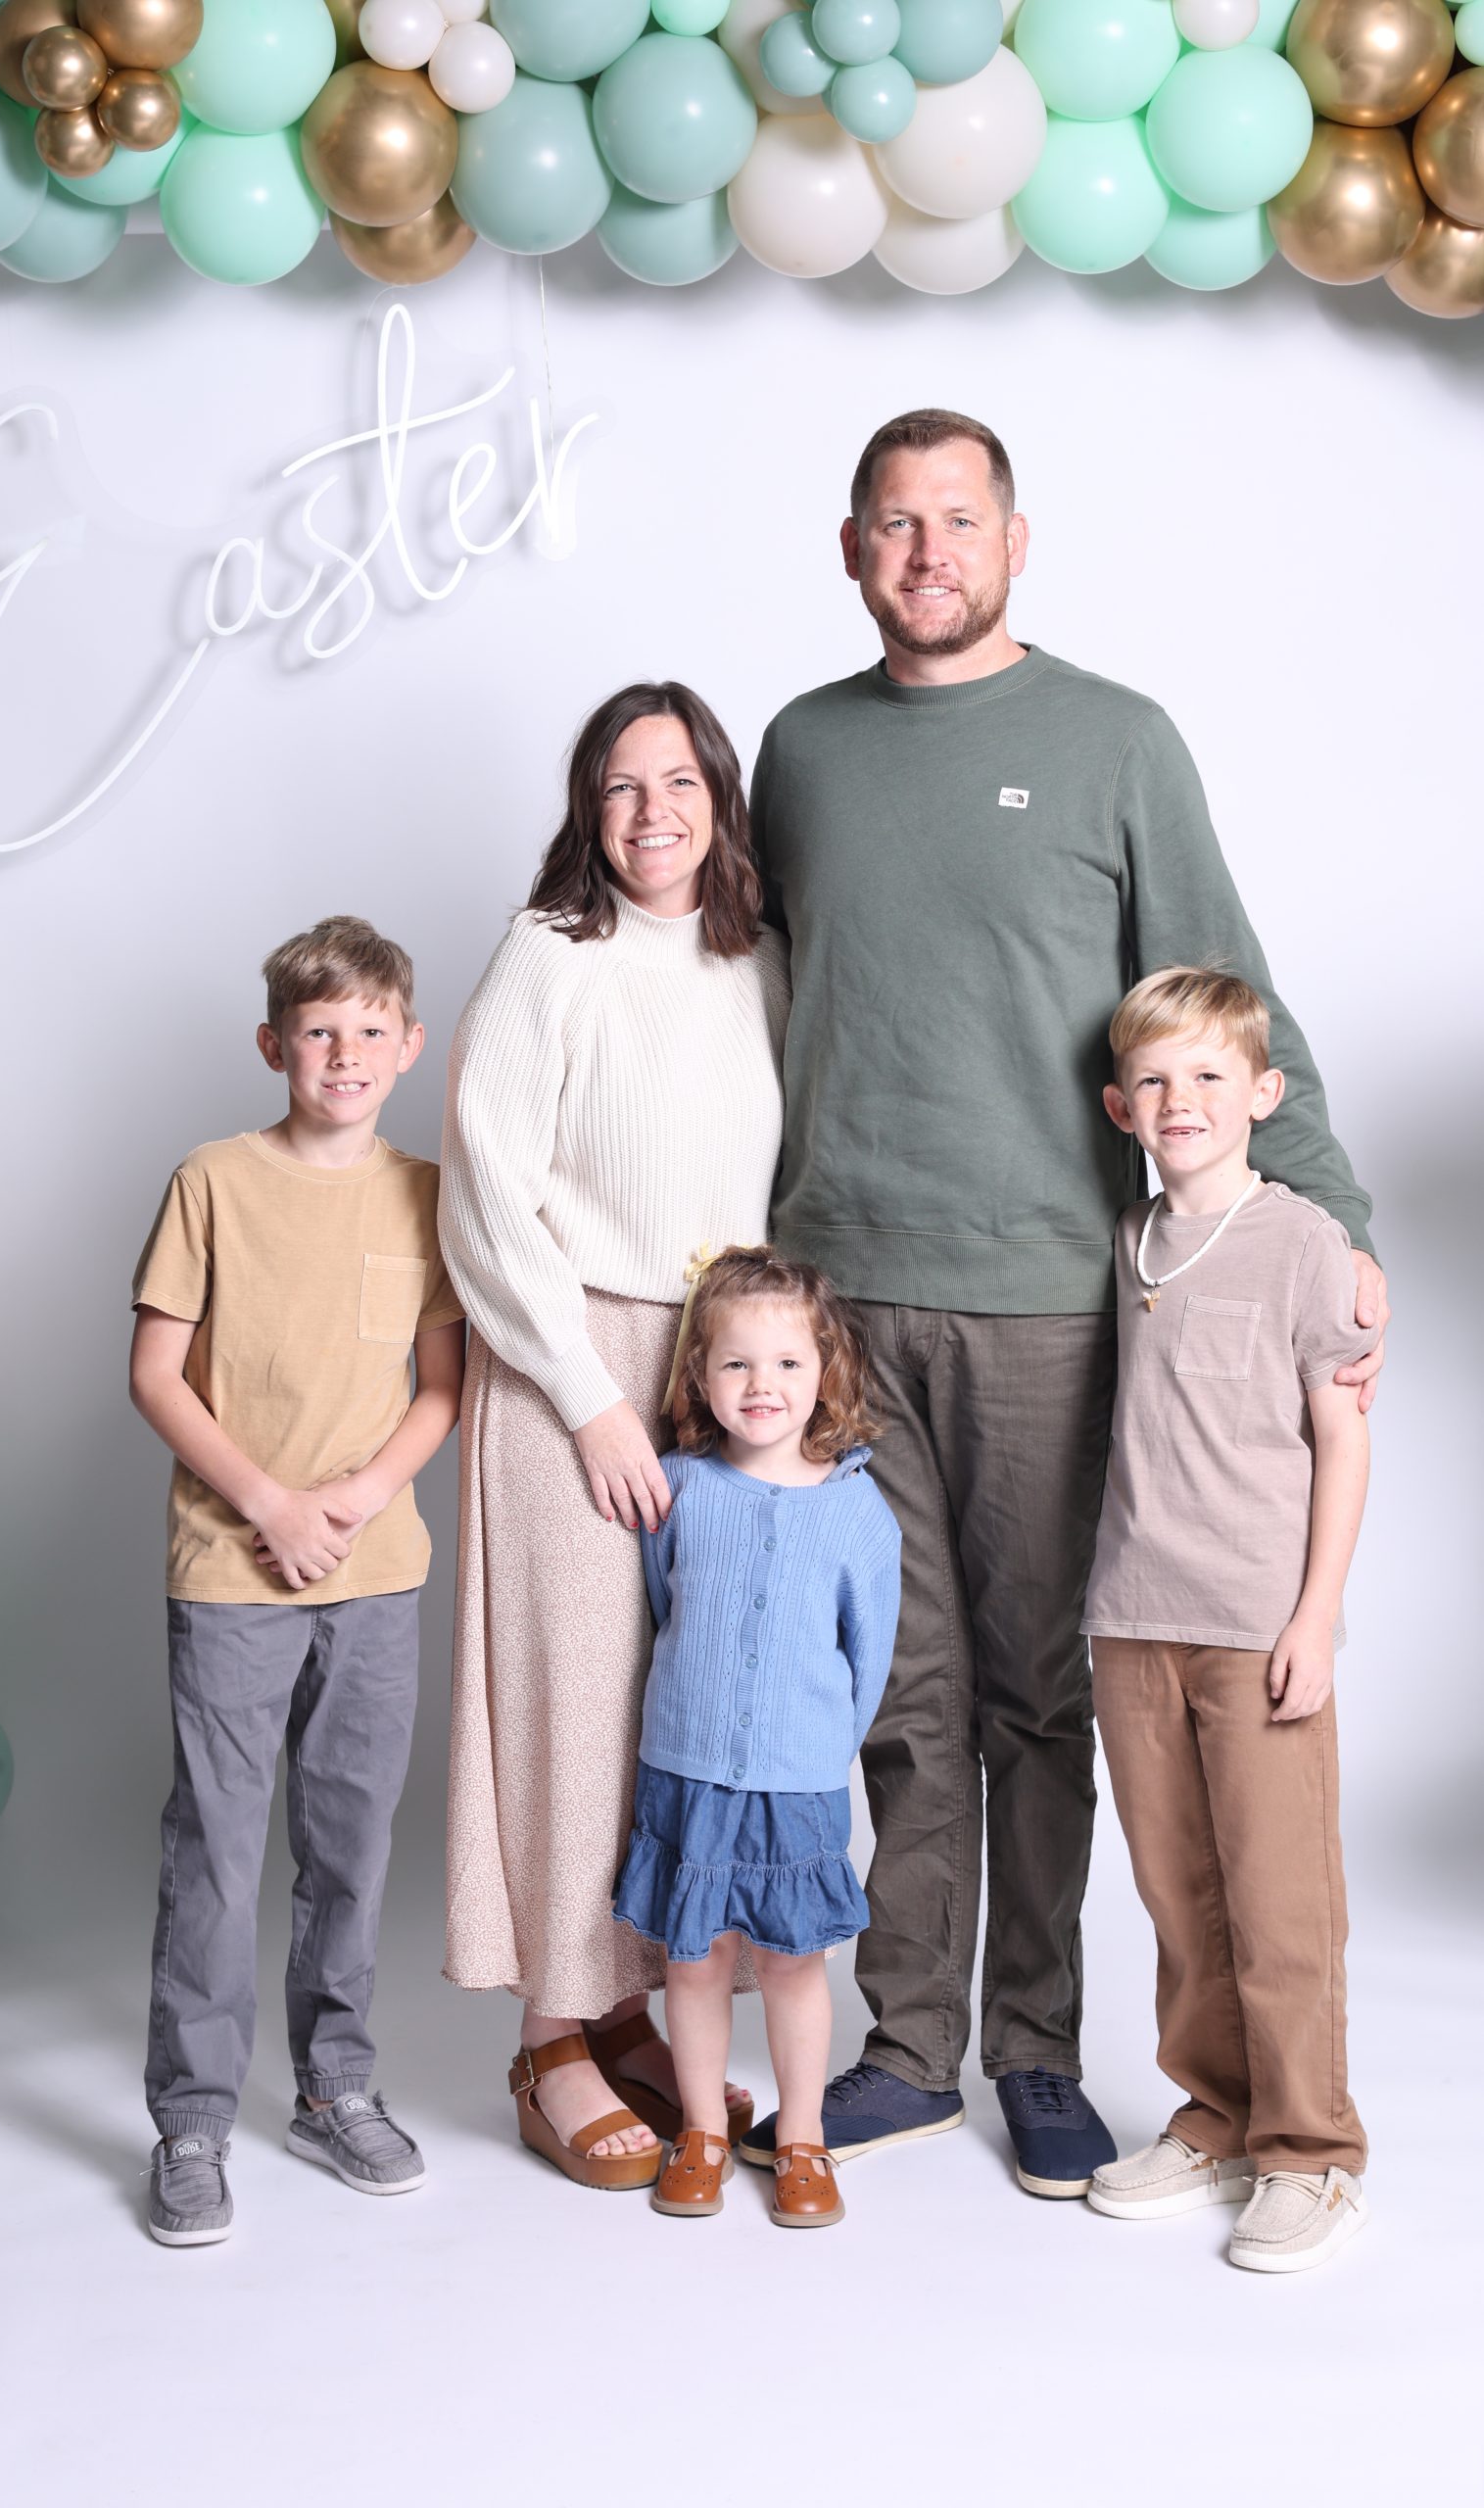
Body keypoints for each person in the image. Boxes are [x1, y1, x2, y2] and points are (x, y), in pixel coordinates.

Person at [742, 407, 1389, 2200]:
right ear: (850, 548)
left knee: (1035, 1699)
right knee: (899, 1696)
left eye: (959, 520)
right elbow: (741, 995)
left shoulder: (1114, 742)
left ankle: (1032, 2050)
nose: (926, 551)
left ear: (1014, 543)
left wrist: (1331, 1212)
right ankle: (904, 2047)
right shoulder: (798, 750)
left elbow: (1225, 989)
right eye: (895, 522)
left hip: (1046, 1301)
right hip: (843, 1297)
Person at [439, 684, 790, 2192]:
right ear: (589, 809)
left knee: (683, 1703)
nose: (652, 813)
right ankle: (550, 2033)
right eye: (621, 787)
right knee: (575, 1699)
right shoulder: (549, 953)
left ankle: (635, 2003)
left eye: (679, 782)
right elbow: (482, 1187)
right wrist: (585, 1396)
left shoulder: (756, 961)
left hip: (720, 1357)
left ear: (719, 800)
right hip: (565, 1351)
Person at [129, 916, 465, 2247]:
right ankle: (191, 2120)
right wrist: (269, 1504)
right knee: (215, 1849)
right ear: (274, 1045)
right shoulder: (211, 1180)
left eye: (369, 1030)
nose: (344, 1053)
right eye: (318, 1031)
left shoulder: (428, 1193)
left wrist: (360, 1497)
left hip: (373, 1573)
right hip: (231, 1565)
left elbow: (440, 1388)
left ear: (409, 1044)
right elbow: (156, 1373)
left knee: (351, 1841)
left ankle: (334, 2088)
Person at [1082, 968, 1372, 2273]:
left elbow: (1341, 1438)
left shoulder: (1302, 1242)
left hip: (1256, 1624)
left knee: (1278, 1897)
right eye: (1151, 1080)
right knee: (1177, 1893)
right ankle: (1215, 2118)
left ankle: (1310, 2150)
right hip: (1130, 1620)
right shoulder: (1123, 1241)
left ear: (1261, 1093)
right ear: (1118, 1108)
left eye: (1207, 1075)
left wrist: (1315, 1617)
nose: (1178, 1099)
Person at [615, 1249, 900, 2230]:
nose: (760, 1385)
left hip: (797, 1783)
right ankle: (700, 2131)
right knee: (693, 1962)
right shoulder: (676, 1488)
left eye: (786, 1363)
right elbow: (664, 1610)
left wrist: (812, 1752)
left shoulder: (857, 1511)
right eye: (735, 1364)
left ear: (826, 1373)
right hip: (685, 1773)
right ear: (699, 1376)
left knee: (789, 1963)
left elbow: (868, 1658)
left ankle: (802, 2139)